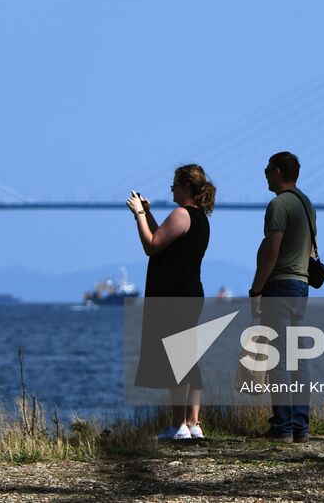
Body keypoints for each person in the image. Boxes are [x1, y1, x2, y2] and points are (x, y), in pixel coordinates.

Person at [126, 163, 214, 441]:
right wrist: (149, 214)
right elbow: (163, 241)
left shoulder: (182, 214)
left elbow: (151, 245)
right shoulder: (198, 217)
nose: (171, 189)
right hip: (189, 293)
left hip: (174, 295)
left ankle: (178, 425)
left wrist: (138, 214)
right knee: (190, 358)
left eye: (175, 184)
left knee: (178, 359)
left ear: (187, 186)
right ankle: (193, 423)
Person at [247, 150, 317, 441]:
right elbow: (312, 249)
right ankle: (300, 427)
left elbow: (271, 251)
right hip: (302, 286)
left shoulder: (278, 205)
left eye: (267, 169)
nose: (264, 173)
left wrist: (256, 290)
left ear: (277, 172)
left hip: (280, 285)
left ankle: (282, 427)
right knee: (299, 359)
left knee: (277, 358)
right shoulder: (306, 204)